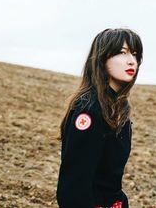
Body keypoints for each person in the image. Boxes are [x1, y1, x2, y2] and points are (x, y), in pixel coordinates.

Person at [56, 28, 143, 208]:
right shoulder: (88, 110)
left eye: (135, 54)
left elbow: (108, 179)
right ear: (102, 58)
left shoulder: (119, 108)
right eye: (122, 53)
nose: (131, 61)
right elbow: (73, 186)